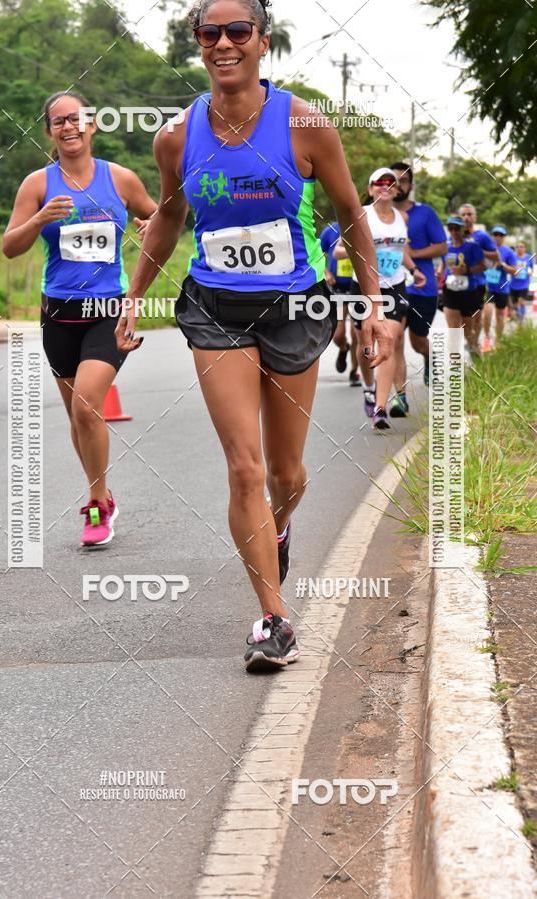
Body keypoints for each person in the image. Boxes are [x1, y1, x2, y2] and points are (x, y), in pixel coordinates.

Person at [116, 0, 391, 672]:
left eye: (238, 31)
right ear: (199, 44)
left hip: (295, 308)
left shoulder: (304, 124)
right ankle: (274, 618)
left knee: (285, 473)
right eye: (210, 33)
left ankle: (283, 521)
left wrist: (374, 302)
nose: (224, 43)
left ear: (263, 42)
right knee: (244, 468)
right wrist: (133, 295)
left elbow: (350, 211)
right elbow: (171, 215)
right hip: (215, 309)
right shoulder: (176, 136)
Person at [3, 90, 157, 547]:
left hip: (108, 310)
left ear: (92, 125)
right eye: (58, 122)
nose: (69, 127)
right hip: (59, 314)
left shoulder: (121, 179)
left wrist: (149, 225)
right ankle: (105, 491)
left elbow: (158, 218)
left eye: (76, 119)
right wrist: (39, 220)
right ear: (50, 131)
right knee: (79, 415)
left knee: (87, 405)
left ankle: (95, 503)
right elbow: (10, 246)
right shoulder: (37, 184)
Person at [334, 167, 426, 429]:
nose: (385, 185)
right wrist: (362, 251)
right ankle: (368, 387)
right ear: (371, 188)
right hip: (363, 287)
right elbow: (339, 251)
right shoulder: (361, 214)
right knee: (366, 342)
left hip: (395, 286)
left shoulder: (402, 217)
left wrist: (414, 269)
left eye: (391, 182)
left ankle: (381, 407)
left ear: (397, 189)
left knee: (392, 337)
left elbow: (402, 249)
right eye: (379, 182)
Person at [391, 162, 447, 390]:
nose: (397, 184)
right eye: (392, 179)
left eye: (403, 180)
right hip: (393, 287)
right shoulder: (378, 214)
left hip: (422, 288)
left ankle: (428, 356)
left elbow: (442, 247)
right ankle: (399, 396)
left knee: (418, 342)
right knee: (395, 341)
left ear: (410, 185)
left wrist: (412, 254)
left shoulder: (425, 213)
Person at [319, 221, 360, 385]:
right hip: (338, 287)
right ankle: (344, 348)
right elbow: (317, 254)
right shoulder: (330, 230)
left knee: (357, 332)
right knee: (337, 333)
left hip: (358, 286)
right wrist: (326, 272)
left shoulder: (362, 226)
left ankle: (354, 372)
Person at [440, 215, 486, 351]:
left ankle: (475, 352)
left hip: (469, 292)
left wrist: (467, 270)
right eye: (451, 228)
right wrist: (439, 272)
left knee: (467, 331)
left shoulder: (473, 247)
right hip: (450, 291)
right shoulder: (445, 247)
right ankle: (456, 370)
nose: (454, 231)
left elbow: (483, 266)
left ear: (463, 229)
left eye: (457, 228)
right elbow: (443, 265)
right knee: (454, 331)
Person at [458, 203, 499, 347]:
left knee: (477, 319)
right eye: (463, 215)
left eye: (469, 214)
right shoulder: (455, 234)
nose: (466, 217)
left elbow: (495, 256)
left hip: (478, 283)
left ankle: (474, 343)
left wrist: (478, 249)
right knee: (463, 319)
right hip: (459, 283)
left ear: (474, 217)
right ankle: (470, 342)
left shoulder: (482, 236)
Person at [482, 225, 517, 347]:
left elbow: (515, 271)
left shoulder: (508, 252)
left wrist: (503, 265)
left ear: (504, 237)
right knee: (487, 312)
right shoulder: (486, 249)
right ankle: (487, 337)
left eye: (500, 235)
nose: (498, 237)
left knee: (500, 316)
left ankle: (498, 340)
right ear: (492, 236)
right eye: (495, 234)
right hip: (488, 288)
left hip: (502, 288)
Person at [509, 241, 534, 321]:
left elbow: (532, 268)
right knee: (515, 305)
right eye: (518, 247)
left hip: (524, 284)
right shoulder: (513, 257)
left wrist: (530, 273)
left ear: (525, 248)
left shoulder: (528, 257)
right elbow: (509, 267)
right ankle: (518, 319)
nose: (520, 248)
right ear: (516, 249)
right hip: (513, 285)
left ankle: (521, 320)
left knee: (521, 302)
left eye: (522, 247)